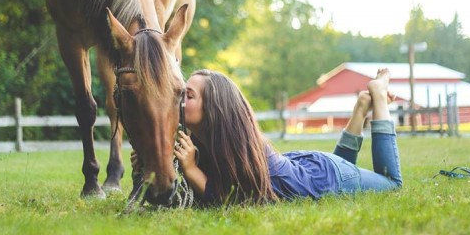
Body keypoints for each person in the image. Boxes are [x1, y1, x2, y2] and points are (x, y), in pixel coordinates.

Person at [131, 68, 402, 205]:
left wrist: (190, 169)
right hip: (310, 168)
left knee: (392, 183)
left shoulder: (237, 146)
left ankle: (377, 96)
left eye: (188, 95)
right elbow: (184, 195)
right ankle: (361, 108)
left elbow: (232, 199)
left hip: (329, 177)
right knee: (341, 166)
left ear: (212, 108)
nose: (180, 100)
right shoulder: (201, 140)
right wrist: (149, 165)